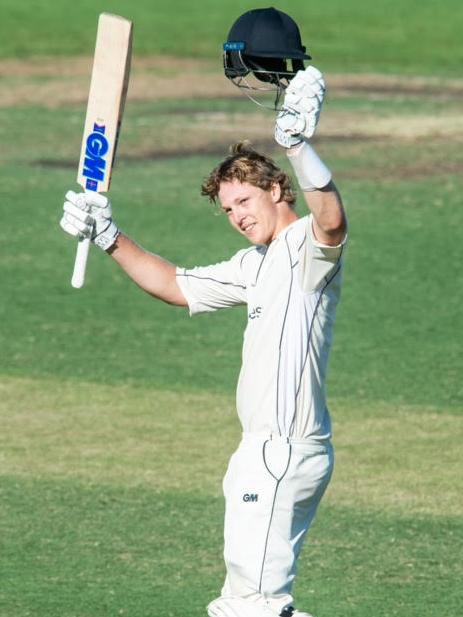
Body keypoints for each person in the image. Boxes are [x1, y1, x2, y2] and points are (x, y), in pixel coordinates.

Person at [60, 20, 347, 617]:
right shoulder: (255, 264)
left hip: (283, 449)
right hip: (263, 449)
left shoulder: (307, 252)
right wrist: (109, 234)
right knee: (255, 602)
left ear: (277, 190)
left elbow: (332, 220)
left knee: (251, 605)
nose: (237, 215)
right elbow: (174, 284)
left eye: (244, 200)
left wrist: (298, 144)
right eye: (227, 209)